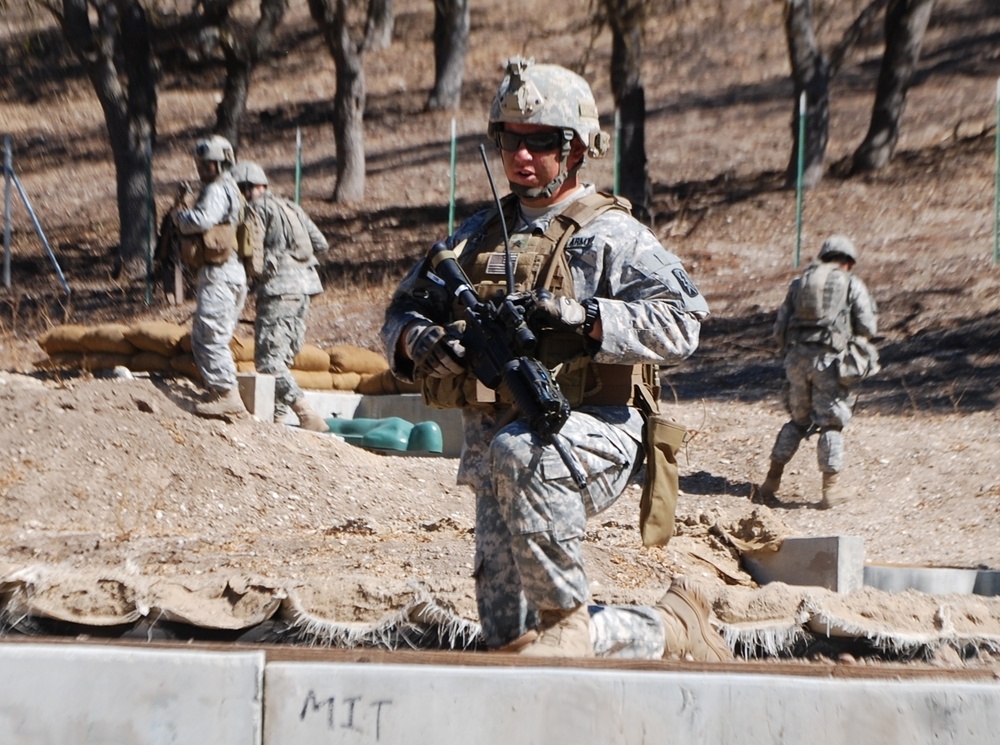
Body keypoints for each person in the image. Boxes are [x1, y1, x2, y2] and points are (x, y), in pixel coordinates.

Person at [381, 56, 730, 661]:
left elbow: (684, 323)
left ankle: (574, 620)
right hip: (496, 448)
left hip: (590, 429)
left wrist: (587, 317)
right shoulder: (476, 236)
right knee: (505, 634)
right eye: (511, 140)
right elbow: (399, 314)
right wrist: (422, 344)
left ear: (575, 150)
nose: (522, 156)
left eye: (540, 142)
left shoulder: (613, 235)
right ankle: (667, 629)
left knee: (527, 474)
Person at [757, 235, 879, 509]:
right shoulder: (851, 283)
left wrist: (793, 354)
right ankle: (830, 489)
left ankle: (770, 482)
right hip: (829, 362)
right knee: (831, 422)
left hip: (796, 361)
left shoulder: (800, 283)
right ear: (848, 262)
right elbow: (868, 327)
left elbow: (779, 329)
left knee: (798, 422)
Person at [230, 161, 330, 432]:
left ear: (248, 189)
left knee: (267, 361)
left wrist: (258, 271)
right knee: (282, 357)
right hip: (305, 288)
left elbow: (253, 255)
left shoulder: (256, 210)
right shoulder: (292, 207)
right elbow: (320, 244)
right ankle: (278, 421)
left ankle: (306, 412)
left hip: (278, 290)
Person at [173, 135, 249, 418]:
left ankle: (227, 394)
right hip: (230, 273)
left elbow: (202, 220)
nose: (204, 171)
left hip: (220, 274)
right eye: (201, 166)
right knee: (213, 335)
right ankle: (220, 392)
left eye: (210, 166)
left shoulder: (217, 191)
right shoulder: (230, 188)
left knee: (208, 336)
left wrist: (180, 218)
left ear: (223, 164)